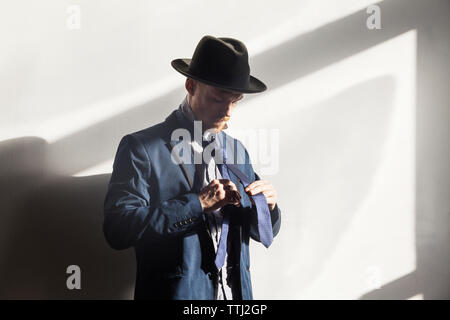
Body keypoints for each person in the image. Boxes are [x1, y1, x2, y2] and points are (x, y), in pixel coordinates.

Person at [103, 35, 281, 300]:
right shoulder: (142, 148)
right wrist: (196, 204)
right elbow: (119, 229)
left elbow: (258, 230)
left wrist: (268, 208)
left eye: (236, 100)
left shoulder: (236, 150)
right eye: (218, 98)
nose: (228, 111)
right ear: (190, 85)